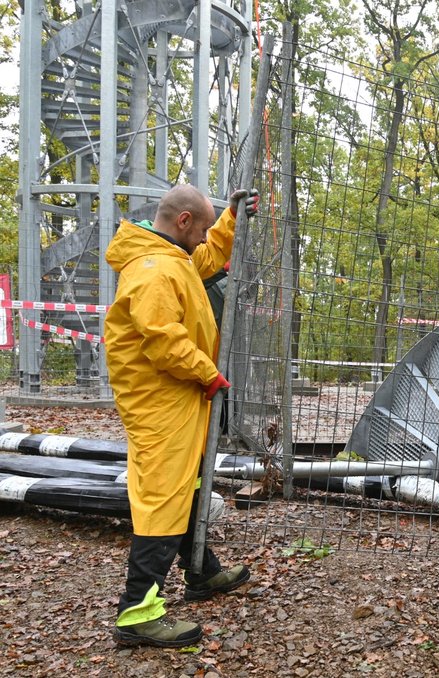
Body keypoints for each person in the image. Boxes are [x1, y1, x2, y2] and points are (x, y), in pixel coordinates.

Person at [105, 184, 260, 647]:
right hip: (161, 400)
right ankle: (138, 613)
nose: (207, 236)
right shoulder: (153, 270)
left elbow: (207, 259)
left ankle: (200, 571)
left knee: (187, 484)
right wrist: (208, 373)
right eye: (206, 225)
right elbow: (162, 339)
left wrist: (231, 218)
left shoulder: (172, 257)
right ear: (185, 222)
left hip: (176, 396)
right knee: (161, 498)